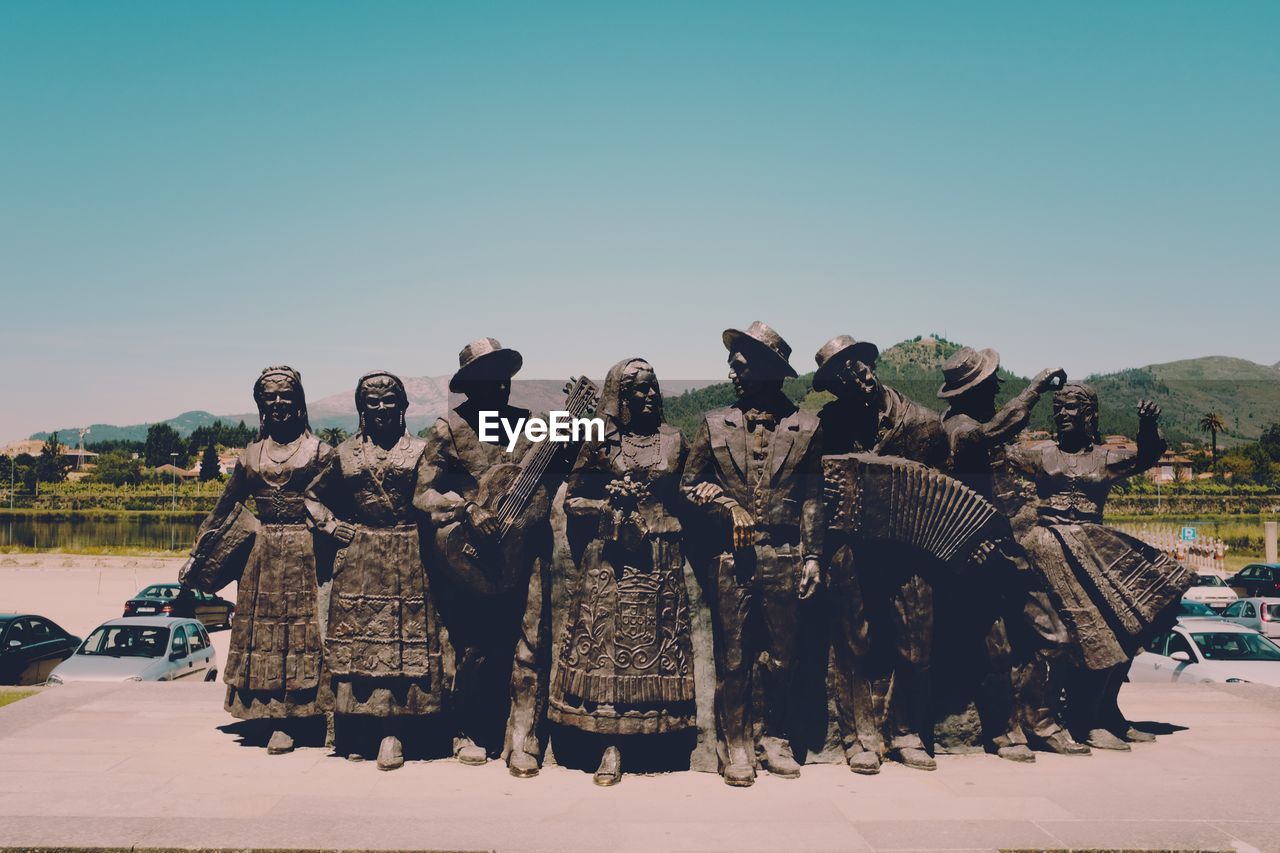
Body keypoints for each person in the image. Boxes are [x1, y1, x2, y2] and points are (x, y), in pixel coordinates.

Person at [681, 321, 823, 787]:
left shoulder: (807, 427)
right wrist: (724, 503)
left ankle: (775, 738)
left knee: (784, 655)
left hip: (785, 553)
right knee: (736, 657)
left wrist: (812, 557)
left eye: (740, 364)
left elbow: (813, 498)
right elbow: (688, 486)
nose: (732, 372)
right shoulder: (713, 424)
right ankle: (736, 745)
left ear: (768, 370)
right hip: (731, 557)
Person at [1009, 384, 1188, 751]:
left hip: (1093, 546)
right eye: (1058, 408)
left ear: (1090, 415)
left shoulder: (1106, 458)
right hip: (1050, 547)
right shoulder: (1042, 456)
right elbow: (998, 452)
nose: (1062, 415)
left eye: (1071, 409)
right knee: (1095, 634)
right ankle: (1087, 720)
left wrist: (1148, 426)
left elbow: (1147, 457)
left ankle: (1107, 712)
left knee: (1146, 613)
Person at [414, 338, 556, 778]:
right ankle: (466, 730)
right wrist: (466, 508)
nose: (502, 387)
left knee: (529, 645)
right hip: (468, 557)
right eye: (490, 379)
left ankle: (522, 738)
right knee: (471, 648)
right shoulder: (448, 430)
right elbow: (423, 492)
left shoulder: (527, 425)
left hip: (523, 550)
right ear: (471, 385)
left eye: (505, 378)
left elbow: (543, 479)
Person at [551, 358, 696, 786]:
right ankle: (609, 745)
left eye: (654, 388)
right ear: (621, 396)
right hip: (610, 560)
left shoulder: (673, 440)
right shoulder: (601, 442)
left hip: (661, 554)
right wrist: (611, 510)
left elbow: (688, 493)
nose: (651, 396)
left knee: (657, 652)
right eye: (640, 390)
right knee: (608, 656)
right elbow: (573, 499)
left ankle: (662, 739)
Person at [936, 347, 1084, 759]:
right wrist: (1035, 388)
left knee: (1055, 636)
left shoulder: (976, 423)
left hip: (1010, 554)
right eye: (992, 383)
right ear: (973, 390)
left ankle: (1041, 721)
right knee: (995, 651)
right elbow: (998, 429)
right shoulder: (961, 429)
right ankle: (1004, 731)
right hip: (974, 562)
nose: (998, 388)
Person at [814, 334, 947, 772]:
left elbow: (946, 490)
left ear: (869, 369)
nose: (855, 381)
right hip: (850, 547)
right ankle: (858, 737)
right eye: (841, 380)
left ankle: (905, 731)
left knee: (917, 645)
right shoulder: (829, 424)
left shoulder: (924, 424)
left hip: (910, 548)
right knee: (852, 644)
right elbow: (814, 491)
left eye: (858, 370)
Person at [306, 371, 442, 771]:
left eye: (388, 401)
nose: (380, 408)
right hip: (361, 554)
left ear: (402, 405)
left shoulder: (421, 451)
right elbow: (311, 497)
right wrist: (332, 525)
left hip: (409, 550)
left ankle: (395, 731)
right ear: (361, 408)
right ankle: (357, 728)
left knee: (403, 647)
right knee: (361, 647)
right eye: (371, 402)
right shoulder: (345, 454)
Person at [192, 366, 331, 754]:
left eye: (286, 395)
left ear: (299, 402)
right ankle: (272, 716)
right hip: (263, 554)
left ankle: (309, 713)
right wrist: (200, 548)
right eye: (270, 397)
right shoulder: (251, 455)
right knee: (265, 634)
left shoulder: (319, 452)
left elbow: (340, 503)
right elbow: (225, 506)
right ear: (261, 405)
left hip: (307, 552)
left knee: (305, 634)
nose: (279, 403)